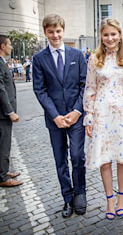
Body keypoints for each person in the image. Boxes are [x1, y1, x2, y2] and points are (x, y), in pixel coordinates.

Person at [32, 14, 87, 218]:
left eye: (58, 31)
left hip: (76, 116)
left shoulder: (77, 55)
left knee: (77, 156)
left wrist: (77, 111)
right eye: (51, 31)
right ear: (45, 32)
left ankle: (80, 192)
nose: (55, 35)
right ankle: (67, 197)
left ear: (63, 31)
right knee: (60, 159)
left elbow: (84, 85)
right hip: (54, 119)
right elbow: (40, 90)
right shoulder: (39, 59)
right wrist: (55, 115)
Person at [83, 18, 123, 220]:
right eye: (106, 34)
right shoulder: (94, 58)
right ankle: (109, 200)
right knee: (105, 159)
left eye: (113, 34)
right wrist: (89, 116)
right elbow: (90, 88)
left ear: (120, 35)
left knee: (122, 159)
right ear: (101, 36)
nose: (110, 38)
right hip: (101, 114)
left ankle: (121, 197)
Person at [0, 35, 22, 187]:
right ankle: (2, 178)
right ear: (2, 46)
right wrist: (10, 111)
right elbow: (0, 90)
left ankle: (3, 170)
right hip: (2, 114)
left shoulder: (2, 63)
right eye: (9, 44)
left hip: (3, 113)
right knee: (4, 144)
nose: (11, 47)